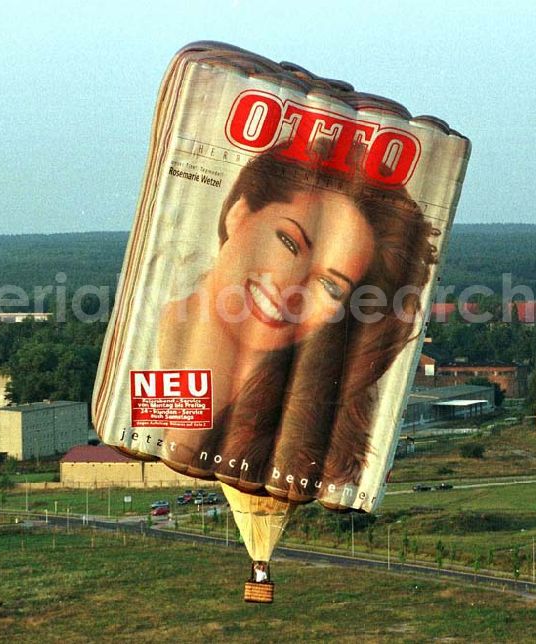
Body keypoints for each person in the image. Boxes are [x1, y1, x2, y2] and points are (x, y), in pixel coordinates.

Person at [158, 143, 438, 500]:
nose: (291, 290)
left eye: (329, 285)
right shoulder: (136, 358)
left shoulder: (309, 427)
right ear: (239, 215)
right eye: (289, 242)